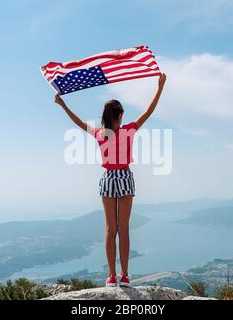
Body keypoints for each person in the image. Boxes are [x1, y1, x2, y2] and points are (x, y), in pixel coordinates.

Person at [55, 73, 167, 287]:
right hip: (124, 177)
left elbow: (78, 121)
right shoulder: (128, 130)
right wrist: (160, 87)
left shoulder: (100, 133)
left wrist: (63, 104)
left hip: (107, 179)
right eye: (121, 115)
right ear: (119, 116)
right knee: (123, 228)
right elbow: (149, 112)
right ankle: (125, 276)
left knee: (110, 229)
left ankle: (111, 276)